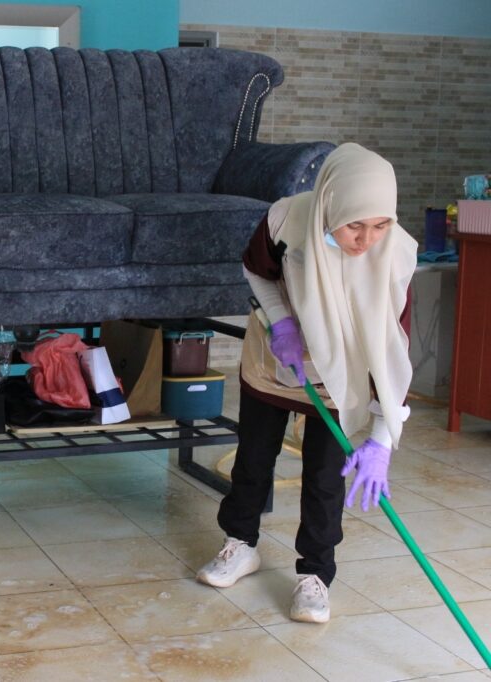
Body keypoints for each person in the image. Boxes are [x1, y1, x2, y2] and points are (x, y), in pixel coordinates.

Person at [196, 143, 416, 623]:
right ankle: (240, 544)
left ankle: (315, 574)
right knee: (254, 459)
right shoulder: (286, 221)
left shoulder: (397, 255)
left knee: (324, 477)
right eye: (354, 225)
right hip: (278, 358)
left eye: (381, 225)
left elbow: (393, 350)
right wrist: (281, 323)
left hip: (339, 376)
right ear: (330, 203)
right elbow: (256, 270)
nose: (366, 239)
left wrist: (382, 437)